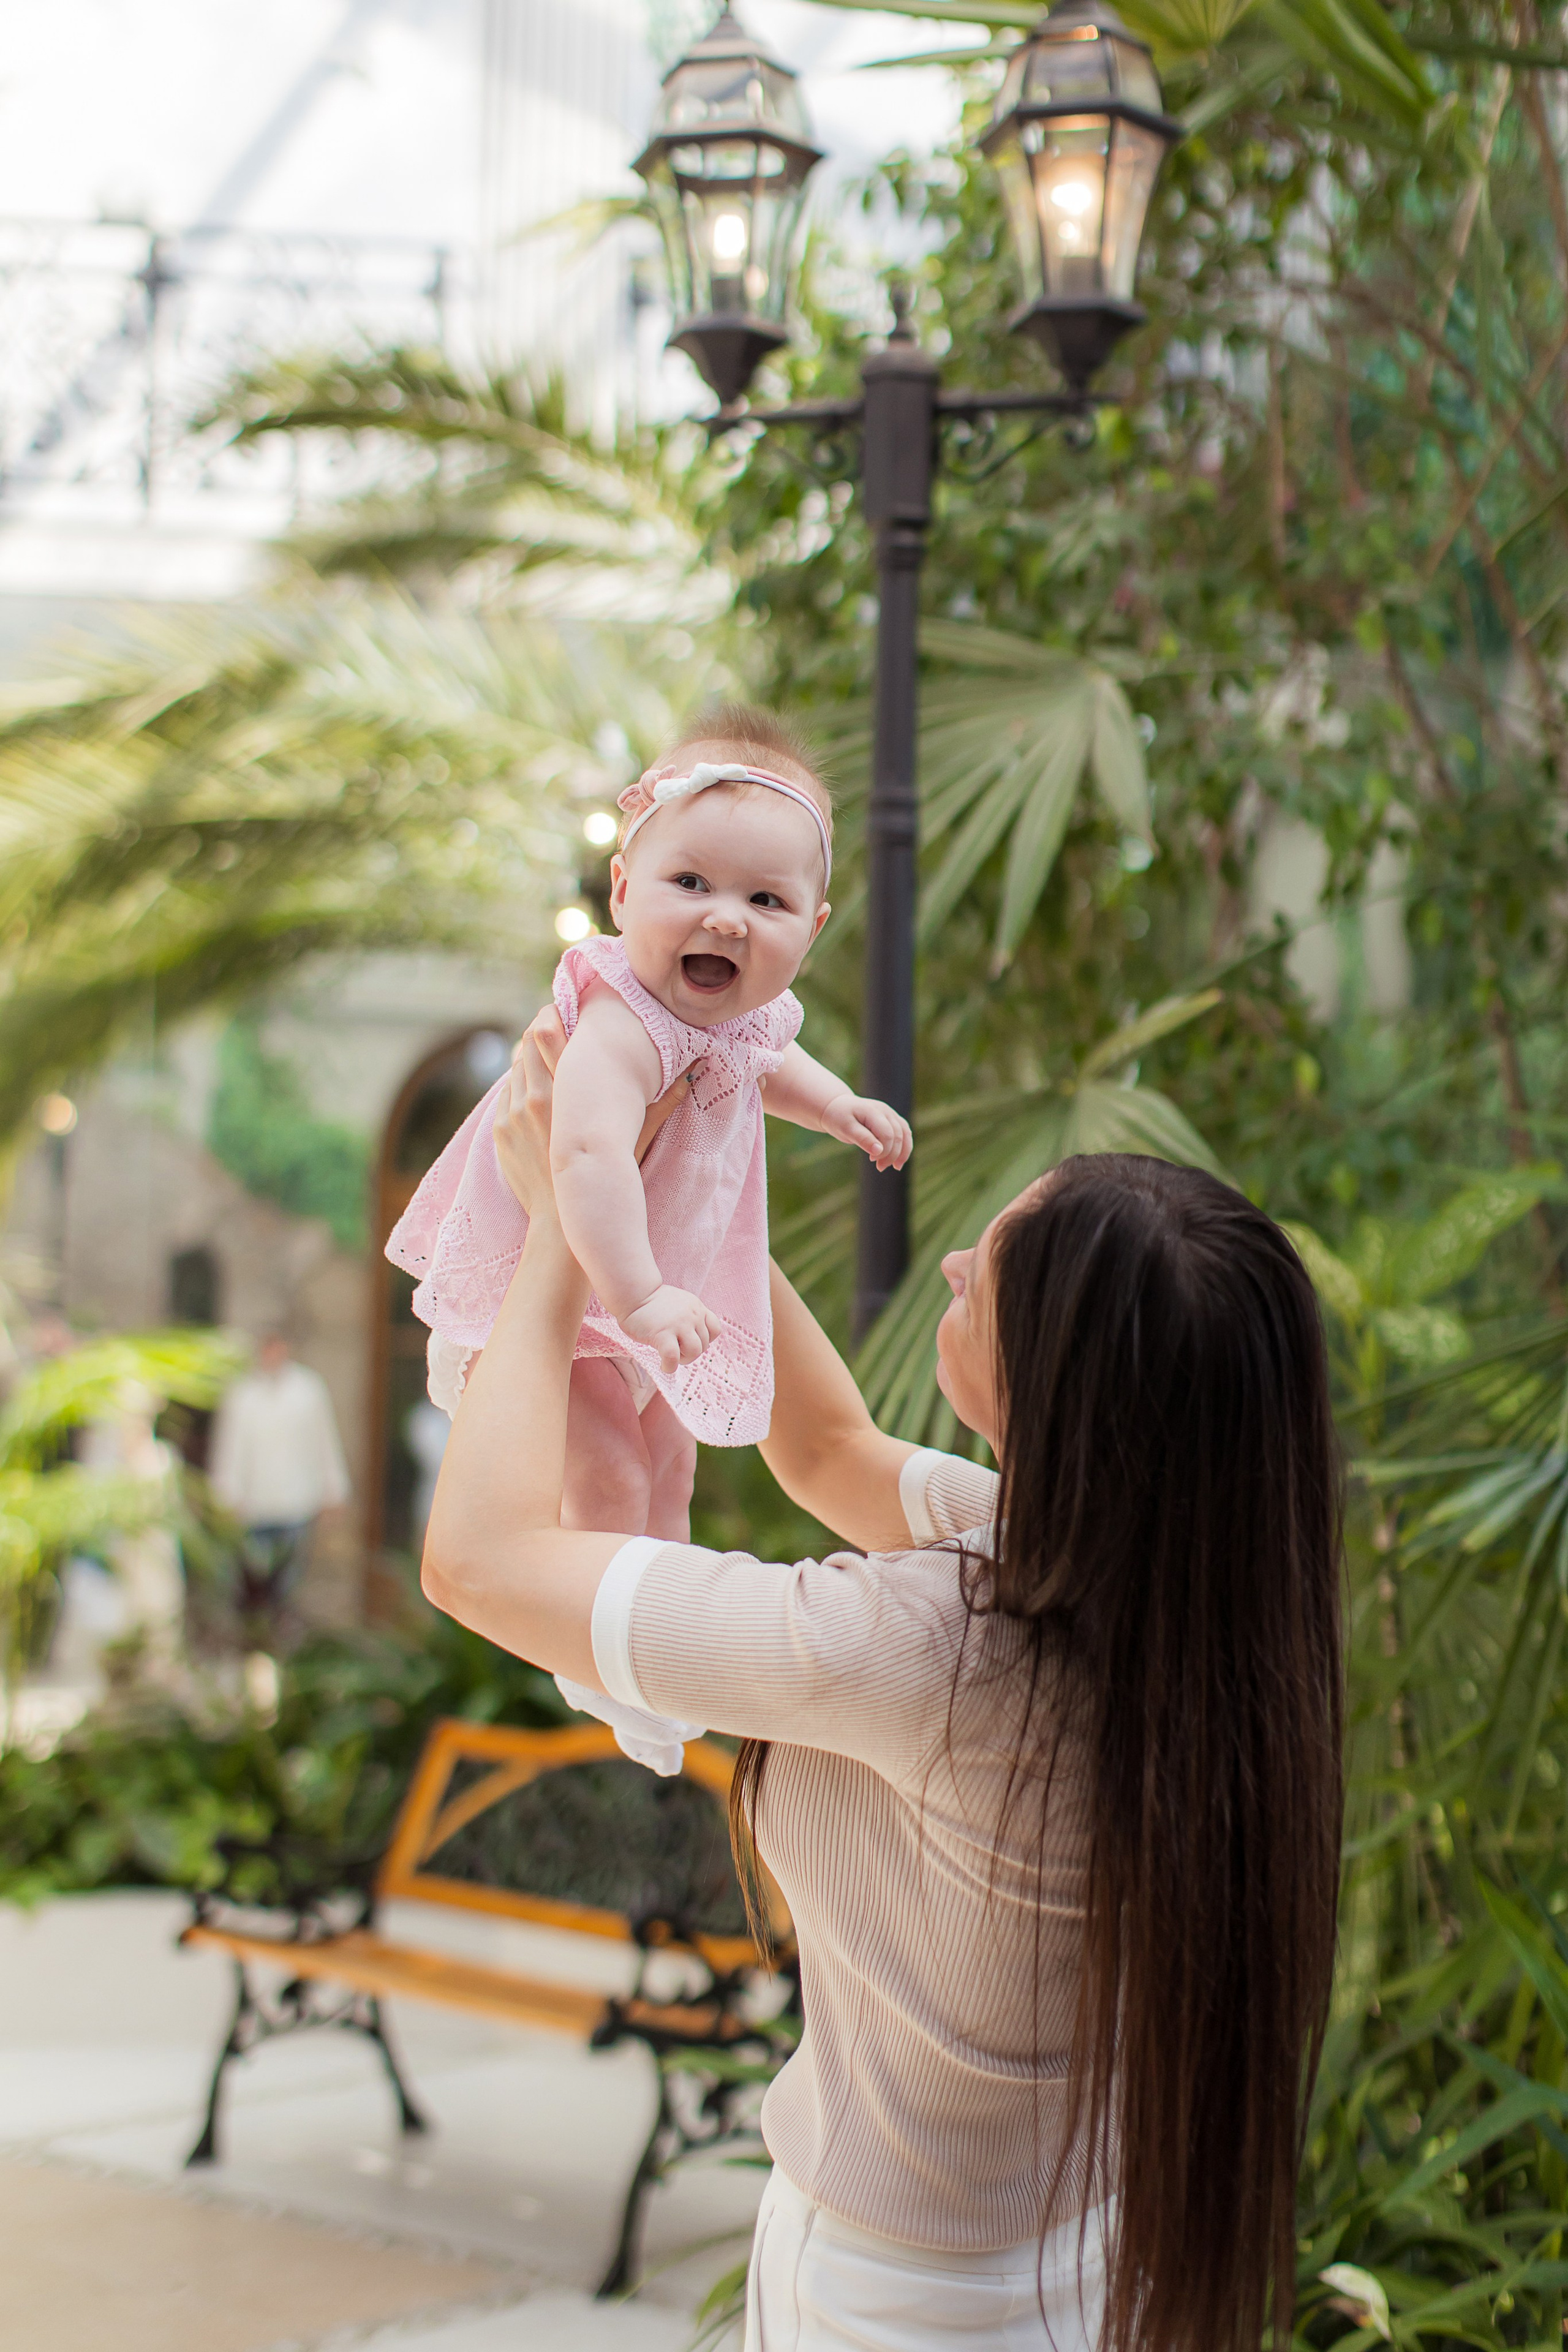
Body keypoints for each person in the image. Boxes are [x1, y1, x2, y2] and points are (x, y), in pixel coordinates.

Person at [418, 1032, 1345, 2352]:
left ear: (1053, 1383)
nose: (952, 1266)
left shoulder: (933, 1649)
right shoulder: (1173, 1590)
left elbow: (477, 1562)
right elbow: (825, 1448)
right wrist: (674, 1174)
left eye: (986, 1276)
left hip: (897, 2306)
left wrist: (563, 1240)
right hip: (1078, 2249)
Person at [389, 704, 909, 1769]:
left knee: (672, 1471)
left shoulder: (742, 1020)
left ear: (811, 930)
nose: (726, 919)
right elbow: (583, 1159)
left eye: (765, 900)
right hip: (578, 1297)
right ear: (623, 891)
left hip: (650, 1294)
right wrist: (638, 1296)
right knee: (616, 1476)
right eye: (692, 883)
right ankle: (597, 1663)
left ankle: (658, 1652)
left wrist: (841, 1107)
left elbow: (774, 1066)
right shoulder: (618, 1022)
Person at [209, 1331, 350, 1630]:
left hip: (297, 1502)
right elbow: (231, 1447)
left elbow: (324, 1441)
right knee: (254, 1581)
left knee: (289, 1585)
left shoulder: (308, 1389)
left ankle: (282, 1637)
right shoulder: (243, 1394)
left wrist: (334, 1491)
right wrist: (225, 1496)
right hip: (255, 1506)